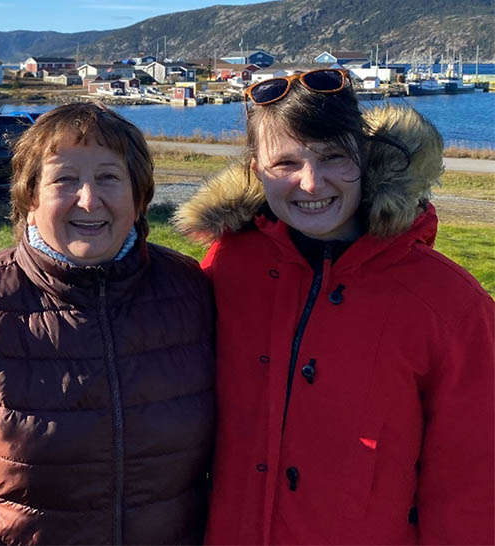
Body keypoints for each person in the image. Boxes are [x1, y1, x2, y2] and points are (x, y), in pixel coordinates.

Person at [175, 68, 495, 545]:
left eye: (331, 158)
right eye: (285, 163)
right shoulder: (229, 265)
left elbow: (472, 482)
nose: (310, 182)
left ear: (365, 158)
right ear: (254, 168)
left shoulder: (448, 304)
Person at [0, 102, 215, 545]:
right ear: (30, 198)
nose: (89, 199)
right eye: (65, 179)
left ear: (139, 196)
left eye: (109, 178)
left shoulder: (189, 290)